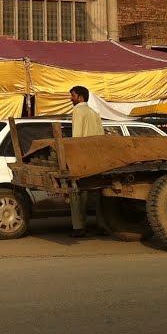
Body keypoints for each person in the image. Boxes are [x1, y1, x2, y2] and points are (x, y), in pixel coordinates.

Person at [68, 86, 102, 237]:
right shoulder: (94, 113)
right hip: (97, 158)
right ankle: (102, 225)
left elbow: (76, 137)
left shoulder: (77, 111)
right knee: (97, 192)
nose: (71, 99)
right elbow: (101, 137)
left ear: (80, 97)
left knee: (77, 193)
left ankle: (79, 227)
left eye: (73, 96)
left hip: (82, 158)